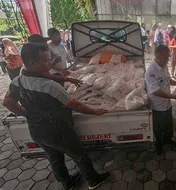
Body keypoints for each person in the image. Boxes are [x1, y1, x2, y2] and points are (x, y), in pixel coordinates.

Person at [2, 42, 110, 190]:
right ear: (32, 62)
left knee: (54, 157)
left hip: (36, 130)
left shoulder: (17, 81)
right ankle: (93, 180)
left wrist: (27, 114)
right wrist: (95, 111)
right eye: (45, 60)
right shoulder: (49, 86)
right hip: (58, 130)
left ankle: (67, 183)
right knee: (79, 155)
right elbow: (75, 105)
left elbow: (7, 102)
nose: (49, 63)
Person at [145, 45, 176, 155]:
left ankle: (168, 140)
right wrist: (174, 97)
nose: (168, 60)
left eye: (168, 57)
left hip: (167, 103)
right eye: (165, 58)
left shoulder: (164, 66)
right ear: (157, 56)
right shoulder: (151, 71)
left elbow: (168, 80)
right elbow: (155, 91)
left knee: (168, 123)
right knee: (159, 126)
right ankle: (159, 145)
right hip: (158, 105)